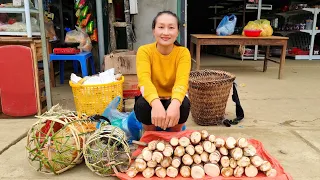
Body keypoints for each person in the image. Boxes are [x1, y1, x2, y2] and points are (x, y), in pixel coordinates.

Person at [134, 11, 191, 132]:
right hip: (152, 99)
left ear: (177, 32)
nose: (166, 32)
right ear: (154, 30)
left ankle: (174, 136)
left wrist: (175, 104)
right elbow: (144, 80)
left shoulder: (183, 53)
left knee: (184, 105)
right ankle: (151, 134)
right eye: (161, 27)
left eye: (171, 28)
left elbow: (182, 81)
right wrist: (155, 103)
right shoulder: (144, 51)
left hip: (172, 98)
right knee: (142, 106)